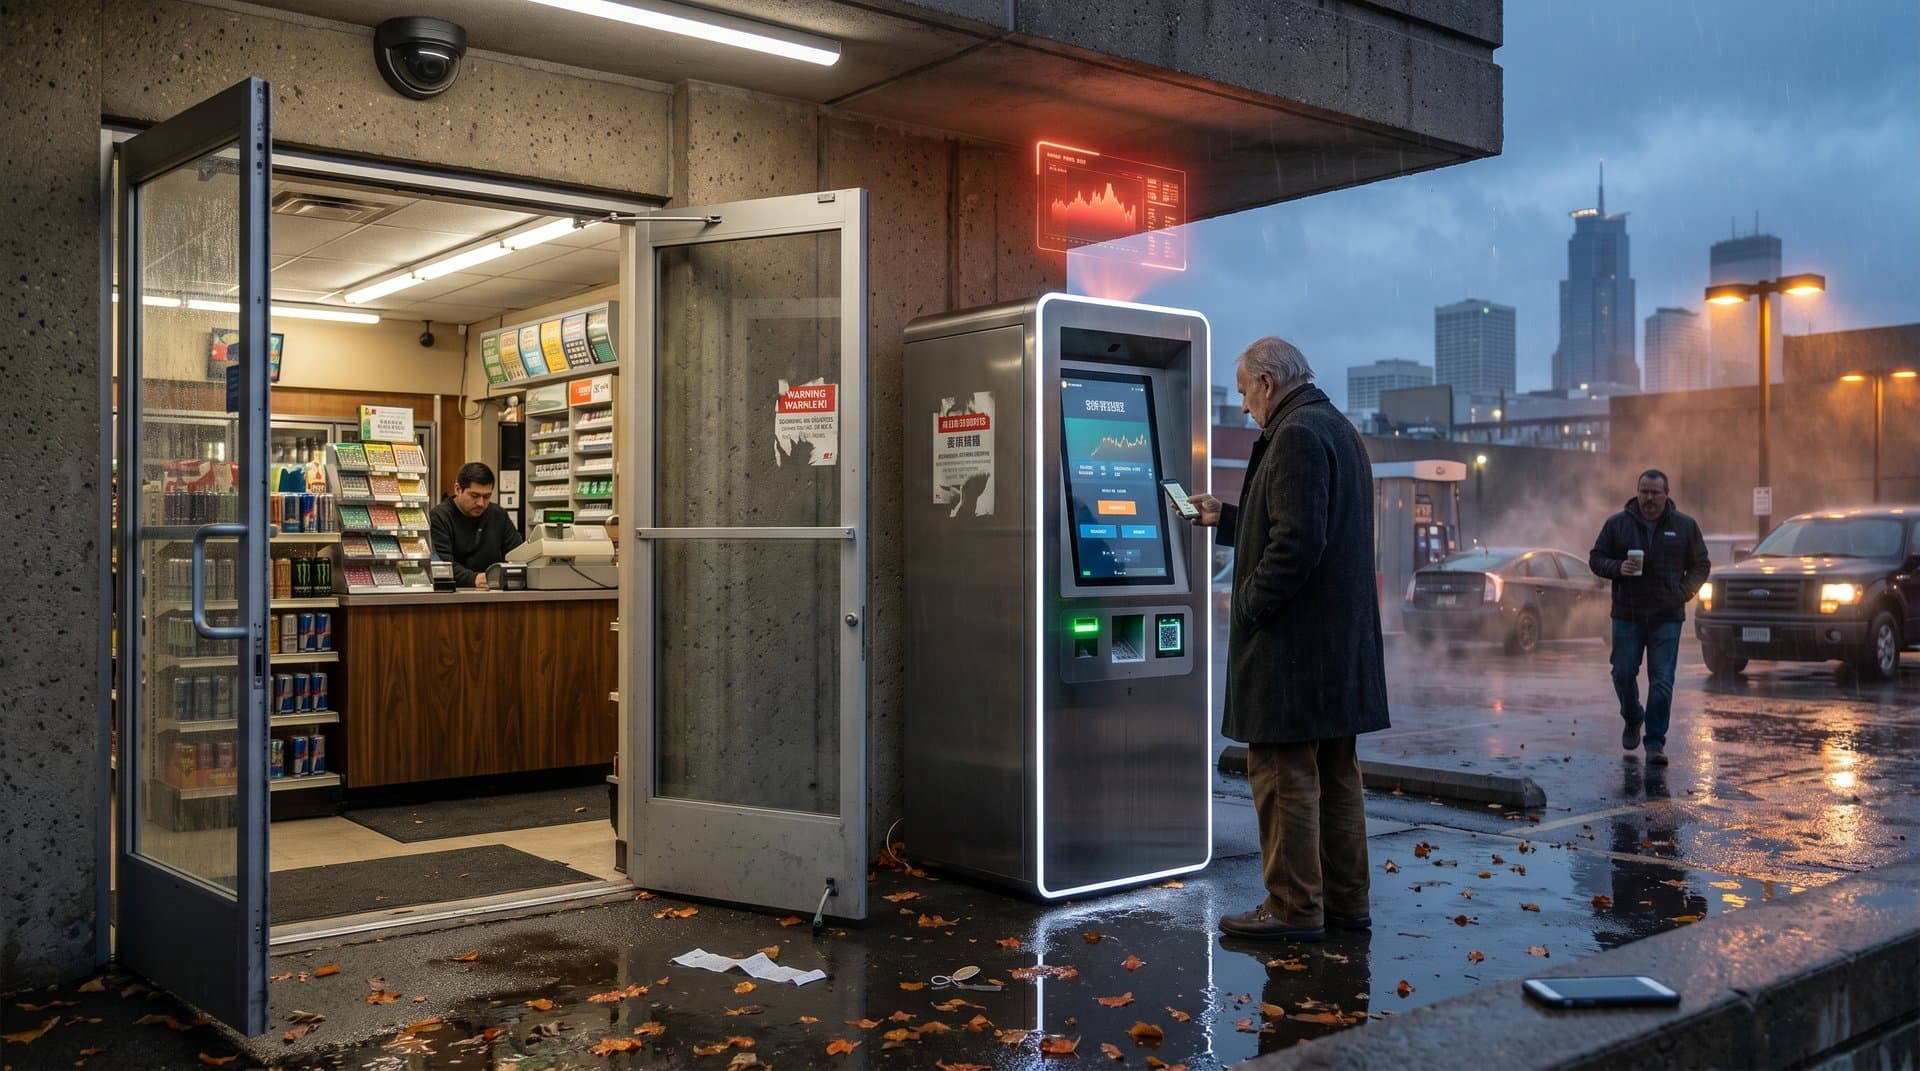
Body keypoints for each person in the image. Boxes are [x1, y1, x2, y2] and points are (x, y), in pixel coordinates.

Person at [1188, 337, 1390, 942]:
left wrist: (1245, 604)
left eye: (1247, 392)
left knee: (1283, 776)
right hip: (1335, 649)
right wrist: (1224, 516)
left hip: (1294, 650)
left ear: (1269, 384)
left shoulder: (1296, 435)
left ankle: (1294, 906)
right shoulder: (1337, 429)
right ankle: (1346, 902)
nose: (1246, 406)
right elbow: (1294, 521)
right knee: (1335, 774)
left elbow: (1295, 544)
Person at [1588, 469, 1710, 766]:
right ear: (1637, 492)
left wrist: (1682, 593)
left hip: (1667, 616)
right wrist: (1618, 568)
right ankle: (1633, 716)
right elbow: (1596, 558)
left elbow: (1701, 564)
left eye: (1655, 492)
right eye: (1644, 491)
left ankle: (1655, 742)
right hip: (1627, 615)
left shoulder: (1685, 526)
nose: (1649, 498)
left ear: (1666, 495)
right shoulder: (1617, 524)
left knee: (1662, 681)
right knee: (1622, 673)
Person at [429, 461, 524, 589]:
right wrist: (474, 578)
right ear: (458, 489)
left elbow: (518, 554)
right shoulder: (439, 517)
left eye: (487, 496)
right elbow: (442, 565)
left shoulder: (498, 514)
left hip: (496, 592)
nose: (481, 503)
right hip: (456, 595)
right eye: (475, 496)